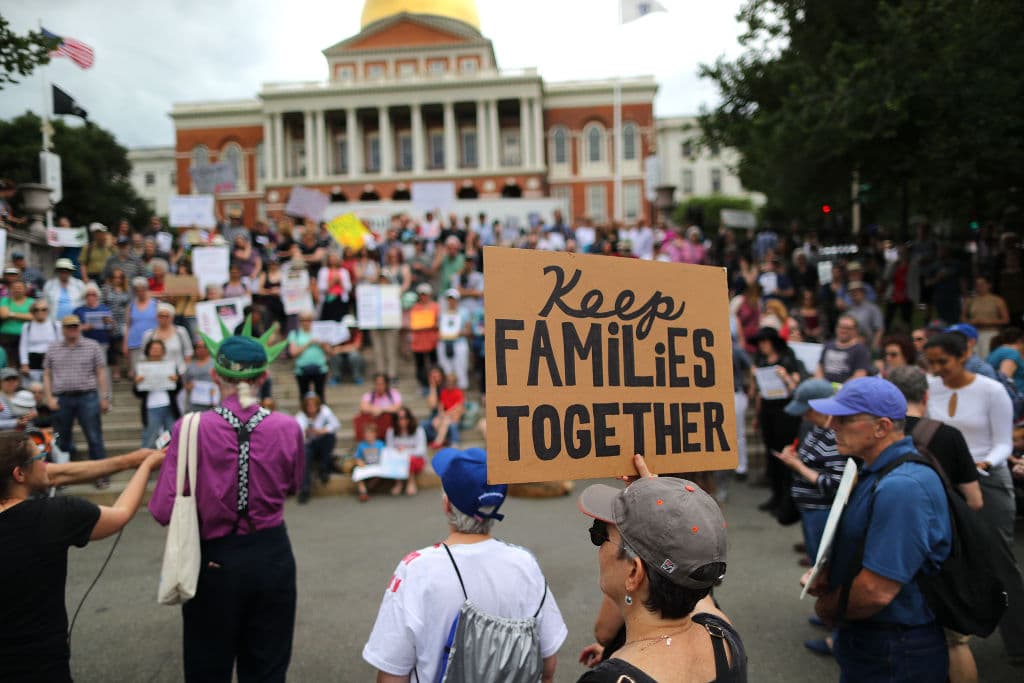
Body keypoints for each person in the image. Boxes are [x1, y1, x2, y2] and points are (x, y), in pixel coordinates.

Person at [149, 317, 303, 682]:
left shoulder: (189, 428)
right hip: (272, 555)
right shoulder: (288, 427)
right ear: (263, 377)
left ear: (216, 376)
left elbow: (161, 510)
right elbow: (294, 487)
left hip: (214, 560)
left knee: (207, 667)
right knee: (266, 668)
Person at [363, 446, 567, 682]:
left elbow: (391, 674)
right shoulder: (525, 564)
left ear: (447, 504)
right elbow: (548, 664)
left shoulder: (416, 569)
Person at [803, 377, 952, 683]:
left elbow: (876, 591)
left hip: (895, 647)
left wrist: (829, 607)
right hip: (879, 641)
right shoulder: (877, 471)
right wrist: (831, 574)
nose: (831, 425)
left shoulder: (902, 486)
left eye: (844, 419)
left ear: (882, 427)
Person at [0, 431, 163, 682]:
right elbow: (120, 513)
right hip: (41, 664)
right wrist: (146, 466)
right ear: (19, 474)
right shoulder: (55, 515)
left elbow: (61, 473)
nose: (47, 463)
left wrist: (129, 460)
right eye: (41, 457)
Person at [576, 455, 746, 682]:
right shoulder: (724, 639)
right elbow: (690, 572)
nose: (598, 545)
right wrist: (661, 505)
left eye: (600, 534)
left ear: (634, 573)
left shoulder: (609, 679)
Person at [923, 333, 1024, 664]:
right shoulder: (931, 386)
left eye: (943, 362)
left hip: (987, 479)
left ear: (963, 356)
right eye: (932, 363)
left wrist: (985, 463)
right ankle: (947, 646)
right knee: (942, 560)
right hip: (945, 480)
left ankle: (1018, 644)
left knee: (1001, 563)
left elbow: (1003, 443)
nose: (937, 369)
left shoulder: (991, 390)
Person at [887, 364, 984, 683]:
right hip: (942, 552)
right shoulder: (949, 435)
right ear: (926, 395)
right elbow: (975, 500)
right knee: (955, 639)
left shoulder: (882, 433)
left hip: (893, 546)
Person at [43, 315, 111, 485]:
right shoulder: (53, 348)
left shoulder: (92, 346)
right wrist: (49, 397)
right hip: (62, 398)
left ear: (80, 327)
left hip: (87, 396)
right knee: (61, 440)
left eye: (75, 326)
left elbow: (101, 373)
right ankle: (60, 478)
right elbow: (47, 374)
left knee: (94, 437)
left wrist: (105, 397)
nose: (72, 329)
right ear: (63, 329)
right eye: (68, 326)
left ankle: (100, 475)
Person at [751, 326, 807, 513]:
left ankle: (787, 500)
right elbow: (758, 392)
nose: (762, 345)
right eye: (760, 342)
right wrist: (757, 416)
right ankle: (776, 496)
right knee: (771, 454)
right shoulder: (760, 361)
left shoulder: (788, 359)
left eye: (765, 341)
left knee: (785, 454)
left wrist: (785, 376)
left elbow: (795, 389)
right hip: (768, 411)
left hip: (785, 412)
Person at [133, 338, 182, 449]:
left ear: (163, 351)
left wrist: (176, 381)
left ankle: (170, 461)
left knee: (171, 435)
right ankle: (146, 461)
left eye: (159, 349)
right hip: (151, 406)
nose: (156, 351)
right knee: (150, 436)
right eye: (153, 349)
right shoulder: (142, 368)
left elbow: (178, 388)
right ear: (148, 351)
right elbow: (137, 393)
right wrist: (137, 383)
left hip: (169, 406)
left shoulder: (170, 366)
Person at [294, 391, 339, 504]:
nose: (311, 407)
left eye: (313, 404)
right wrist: (306, 433)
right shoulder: (300, 416)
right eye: (308, 405)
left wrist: (322, 430)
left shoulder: (324, 411)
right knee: (305, 453)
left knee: (330, 437)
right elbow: (298, 436)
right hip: (308, 445)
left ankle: (324, 468)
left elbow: (336, 425)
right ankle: (305, 489)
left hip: (322, 443)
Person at [288, 311, 330, 402]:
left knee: (320, 394)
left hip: (320, 368)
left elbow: (329, 351)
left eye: (308, 320)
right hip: (302, 370)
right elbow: (293, 352)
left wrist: (320, 343)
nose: (306, 323)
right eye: (303, 320)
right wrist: (308, 343)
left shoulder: (320, 332)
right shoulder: (295, 334)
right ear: (300, 321)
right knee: (303, 394)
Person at [817, 314, 872, 384]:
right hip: (824, 388)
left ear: (855, 330)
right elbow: (819, 368)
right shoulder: (828, 346)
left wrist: (842, 388)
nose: (843, 331)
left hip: (846, 390)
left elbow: (860, 374)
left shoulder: (861, 350)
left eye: (848, 328)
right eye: (841, 327)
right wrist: (820, 384)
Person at [385, 405, 427, 496]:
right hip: (398, 459)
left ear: (409, 418)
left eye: (404, 418)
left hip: (416, 461)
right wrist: (398, 452)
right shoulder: (391, 431)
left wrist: (405, 451)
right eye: (399, 418)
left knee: (409, 458)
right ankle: (398, 483)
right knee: (394, 458)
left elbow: (421, 450)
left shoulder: (419, 430)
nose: (402, 421)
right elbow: (389, 449)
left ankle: (411, 482)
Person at [964, 275, 1008, 356]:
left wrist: (988, 322)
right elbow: (963, 318)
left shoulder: (997, 300)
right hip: (974, 333)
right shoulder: (970, 301)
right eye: (977, 285)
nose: (979, 287)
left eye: (982, 284)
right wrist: (971, 322)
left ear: (989, 285)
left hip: (991, 332)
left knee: (989, 356)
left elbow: (1006, 320)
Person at [408, 283, 440, 395]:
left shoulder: (435, 306)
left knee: (434, 365)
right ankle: (423, 385)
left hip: (432, 341)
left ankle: (435, 385)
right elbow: (413, 324)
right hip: (418, 343)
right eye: (421, 294)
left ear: (429, 295)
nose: (423, 297)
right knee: (420, 366)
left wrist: (429, 325)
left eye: (425, 294)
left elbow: (438, 322)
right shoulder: (415, 308)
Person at [437, 288, 471, 389]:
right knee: (446, 369)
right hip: (444, 343)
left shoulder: (464, 312)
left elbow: (468, 330)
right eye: (449, 298)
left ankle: (461, 392)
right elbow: (440, 328)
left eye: (453, 298)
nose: (451, 301)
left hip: (459, 343)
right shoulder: (442, 313)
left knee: (460, 368)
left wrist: (459, 333)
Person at [124, 276, 158, 374]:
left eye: (143, 289)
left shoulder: (155, 304)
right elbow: (127, 325)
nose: (140, 292)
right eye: (137, 290)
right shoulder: (130, 306)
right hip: (135, 342)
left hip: (152, 343)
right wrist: (125, 344)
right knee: (137, 372)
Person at [423, 369, 464, 449]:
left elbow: (457, 407)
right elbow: (441, 405)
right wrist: (441, 414)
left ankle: (438, 442)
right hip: (445, 415)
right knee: (435, 422)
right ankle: (444, 440)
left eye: (451, 382)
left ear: (455, 383)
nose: (449, 384)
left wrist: (445, 414)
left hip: (453, 416)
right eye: (448, 382)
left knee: (446, 422)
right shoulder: (444, 392)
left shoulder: (458, 392)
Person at [352, 421, 386, 503]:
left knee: (380, 474)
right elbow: (357, 457)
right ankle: (363, 492)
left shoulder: (380, 444)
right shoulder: (361, 445)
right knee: (358, 472)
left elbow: (385, 456)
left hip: (378, 466)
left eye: (370, 433)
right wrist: (359, 462)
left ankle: (369, 488)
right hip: (366, 466)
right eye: (366, 433)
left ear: (375, 434)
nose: (368, 435)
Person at [184, 336, 218, 411]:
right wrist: (188, 386)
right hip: (194, 403)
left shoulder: (216, 364)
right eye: (198, 347)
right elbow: (185, 382)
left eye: (204, 347)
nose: (201, 349)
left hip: (212, 402)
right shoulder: (190, 365)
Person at [988, 327, 1024, 394]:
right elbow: (1004, 380)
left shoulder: (997, 351)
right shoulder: (1011, 353)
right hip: (1014, 399)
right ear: (1019, 341)